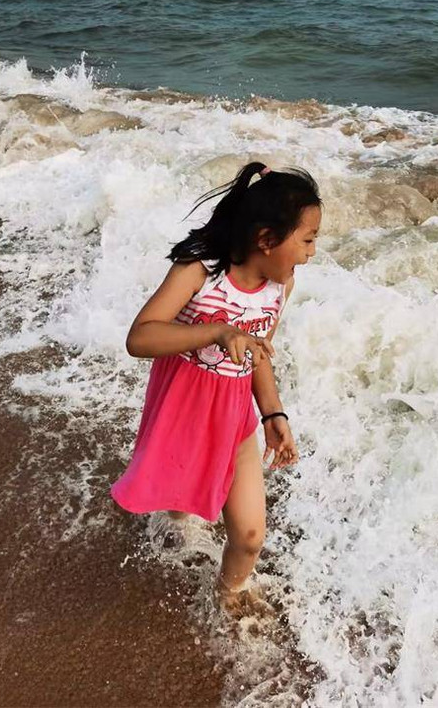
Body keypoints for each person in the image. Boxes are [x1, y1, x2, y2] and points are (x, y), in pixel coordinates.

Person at [111, 161, 322, 608]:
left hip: (234, 420)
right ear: (266, 239)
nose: (311, 252)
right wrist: (217, 331)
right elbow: (140, 337)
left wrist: (273, 413)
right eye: (306, 240)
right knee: (180, 501)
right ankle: (176, 521)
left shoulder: (279, 287)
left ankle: (228, 600)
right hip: (183, 415)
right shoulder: (200, 272)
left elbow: (258, 354)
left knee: (249, 535)